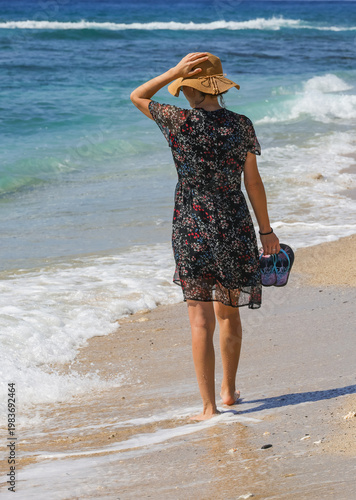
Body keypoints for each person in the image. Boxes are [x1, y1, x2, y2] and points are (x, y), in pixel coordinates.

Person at [130, 52, 280, 421]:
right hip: (234, 224)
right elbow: (253, 182)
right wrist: (267, 231)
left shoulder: (177, 120)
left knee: (200, 322)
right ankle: (229, 391)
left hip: (191, 225)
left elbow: (137, 96)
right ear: (217, 87)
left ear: (189, 88)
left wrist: (172, 72)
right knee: (229, 315)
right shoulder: (241, 125)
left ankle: (208, 407)